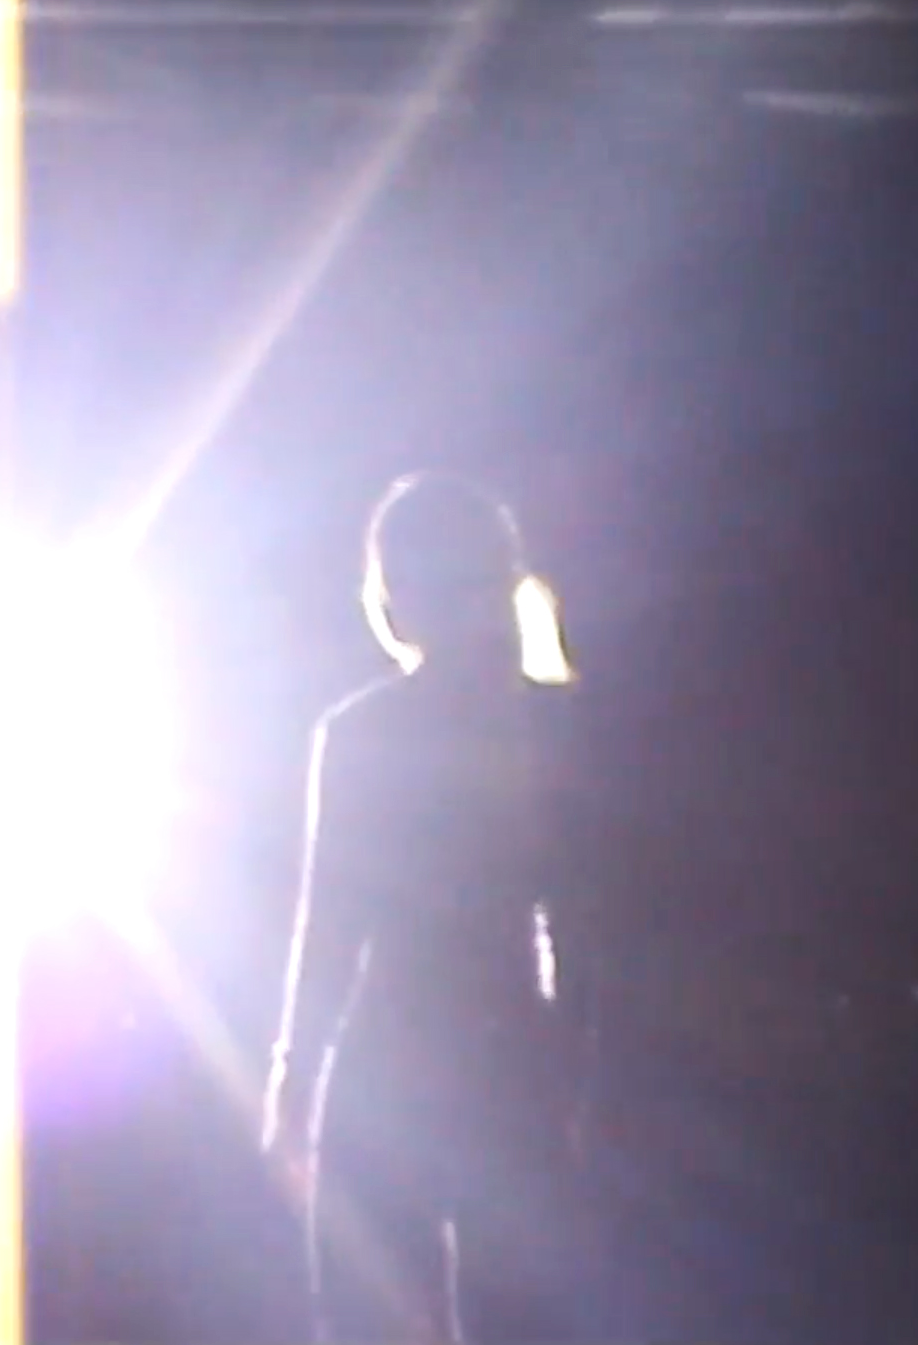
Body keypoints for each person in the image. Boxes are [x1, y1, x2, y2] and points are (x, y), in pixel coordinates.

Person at [262, 472, 599, 1344]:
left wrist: (292, 1077)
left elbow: (331, 926)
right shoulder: (554, 724)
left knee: (377, 1319)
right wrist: (583, 1071)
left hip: (389, 1065)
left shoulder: (361, 733)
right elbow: (583, 927)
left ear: (395, 594)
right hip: (513, 1062)